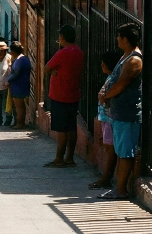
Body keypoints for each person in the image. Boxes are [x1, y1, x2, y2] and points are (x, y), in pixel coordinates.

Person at [97, 23, 143, 199]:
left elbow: (122, 83)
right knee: (121, 150)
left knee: (125, 152)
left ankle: (121, 189)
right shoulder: (126, 56)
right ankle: (118, 187)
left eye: (119, 36)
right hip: (118, 113)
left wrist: (106, 95)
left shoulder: (134, 60)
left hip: (127, 113)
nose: (117, 39)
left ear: (125, 39)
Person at [44, 24, 85, 168]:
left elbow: (47, 68)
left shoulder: (63, 53)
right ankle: (69, 157)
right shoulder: (79, 52)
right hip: (73, 94)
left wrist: (54, 71)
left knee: (61, 129)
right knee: (71, 127)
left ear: (62, 37)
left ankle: (59, 158)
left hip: (60, 95)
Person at [89, 49, 124, 190]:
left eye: (104, 63)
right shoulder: (111, 78)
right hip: (107, 118)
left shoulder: (113, 79)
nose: (101, 65)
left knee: (110, 149)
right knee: (110, 148)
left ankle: (106, 178)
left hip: (109, 119)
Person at [6, 42, 31, 128]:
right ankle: (21, 122)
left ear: (13, 51)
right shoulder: (25, 59)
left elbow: (15, 73)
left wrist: (8, 80)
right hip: (24, 84)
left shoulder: (18, 60)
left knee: (19, 106)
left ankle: (20, 123)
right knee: (21, 105)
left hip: (18, 86)